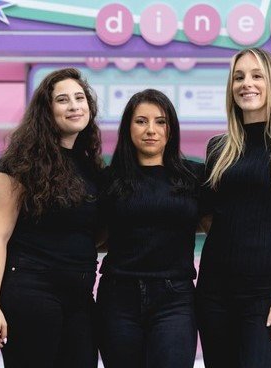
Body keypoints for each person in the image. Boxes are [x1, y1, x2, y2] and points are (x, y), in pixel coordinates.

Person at [196, 48, 271, 367]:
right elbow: (210, 215)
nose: (246, 83)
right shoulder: (218, 147)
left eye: (256, 75)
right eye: (238, 77)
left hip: (265, 294)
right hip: (213, 291)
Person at [0, 68, 103, 368]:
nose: (74, 106)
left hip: (80, 296)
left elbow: (91, 234)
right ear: (47, 112)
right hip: (31, 292)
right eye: (63, 100)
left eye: (80, 97)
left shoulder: (90, 167)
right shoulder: (18, 164)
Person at [97, 89, 204, 368]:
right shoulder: (109, 179)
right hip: (118, 297)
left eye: (160, 121)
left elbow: (222, 221)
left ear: (171, 128)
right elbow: (94, 236)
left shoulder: (194, 176)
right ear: (128, 127)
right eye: (141, 121)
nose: (151, 130)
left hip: (175, 298)